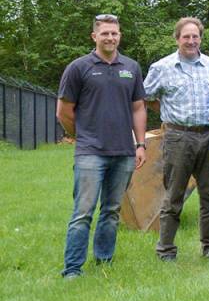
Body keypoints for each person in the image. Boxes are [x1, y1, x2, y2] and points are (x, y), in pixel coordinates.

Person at [57, 14, 147, 279]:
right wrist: (81, 135)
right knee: (83, 212)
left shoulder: (131, 67)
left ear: (120, 35)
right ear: (94, 37)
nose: (110, 37)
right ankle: (73, 268)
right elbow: (64, 111)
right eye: (105, 33)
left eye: (114, 33)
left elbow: (138, 107)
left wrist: (140, 143)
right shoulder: (79, 68)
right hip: (90, 153)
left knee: (111, 210)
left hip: (124, 152)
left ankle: (104, 260)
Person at [144, 17, 209, 261]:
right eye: (186, 36)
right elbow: (145, 97)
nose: (191, 41)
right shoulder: (162, 67)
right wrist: (168, 113)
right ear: (177, 38)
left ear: (200, 38)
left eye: (195, 36)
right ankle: (166, 249)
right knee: (173, 195)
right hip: (177, 137)